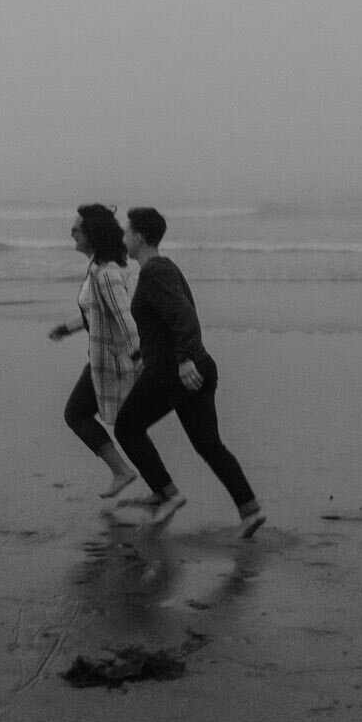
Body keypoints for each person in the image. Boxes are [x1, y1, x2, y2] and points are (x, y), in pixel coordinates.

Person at [114, 206, 265, 537]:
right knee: (209, 445)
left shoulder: (153, 271)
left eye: (127, 231)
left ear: (138, 237)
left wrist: (183, 360)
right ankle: (249, 510)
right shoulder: (166, 268)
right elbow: (168, 321)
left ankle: (167, 495)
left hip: (176, 372)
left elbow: (185, 317)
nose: (123, 236)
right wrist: (145, 350)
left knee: (126, 428)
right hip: (194, 366)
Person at [49, 203, 142, 497]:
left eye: (76, 229)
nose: (72, 233)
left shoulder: (106, 272)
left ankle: (130, 475)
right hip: (107, 358)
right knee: (123, 424)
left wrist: (138, 355)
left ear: (92, 233)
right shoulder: (103, 267)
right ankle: (153, 485)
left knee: (78, 414)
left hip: (115, 360)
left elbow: (124, 316)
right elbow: (100, 312)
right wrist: (69, 327)